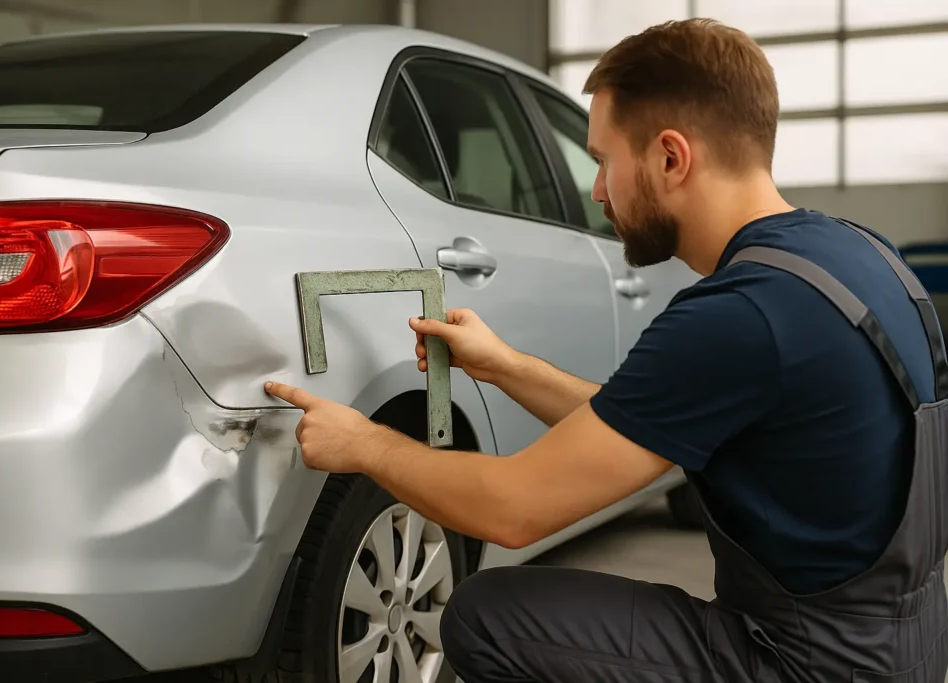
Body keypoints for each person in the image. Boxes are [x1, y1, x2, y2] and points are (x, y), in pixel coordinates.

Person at [265, 17, 948, 683]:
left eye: (602, 161)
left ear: (671, 157)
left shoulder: (742, 314)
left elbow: (513, 510)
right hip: (906, 646)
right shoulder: (860, 256)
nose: (596, 191)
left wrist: (364, 444)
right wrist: (504, 366)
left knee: (486, 614)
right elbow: (637, 425)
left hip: (802, 660)